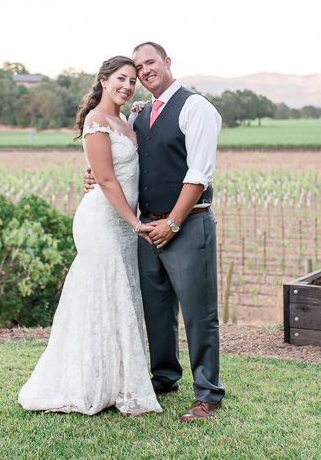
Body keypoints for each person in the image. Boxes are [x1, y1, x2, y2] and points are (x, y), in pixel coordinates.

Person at [86, 42, 225, 423]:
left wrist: (174, 222)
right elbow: (120, 161)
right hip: (146, 227)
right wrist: (94, 177)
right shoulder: (141, 114)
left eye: (149, 64)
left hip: (188, 223)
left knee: (199, 313)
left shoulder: (196, 108)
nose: (143, 72)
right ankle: (164, 378)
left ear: (166, 63)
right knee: (157, 311)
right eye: (136, 68)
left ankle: (208, 394)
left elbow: (199, 173)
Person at [18, 56, 163, 417]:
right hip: (102, 222)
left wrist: (142, 109)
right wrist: (134, 222)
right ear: (103, 79)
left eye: (133, 82)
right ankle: (88, 382)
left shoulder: (127, 119)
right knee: (100, 294)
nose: (128, 87)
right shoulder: (96, 121)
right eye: (121, 79)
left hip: (124, 222)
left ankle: (118, 381)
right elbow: (107, 179)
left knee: (118, 296)